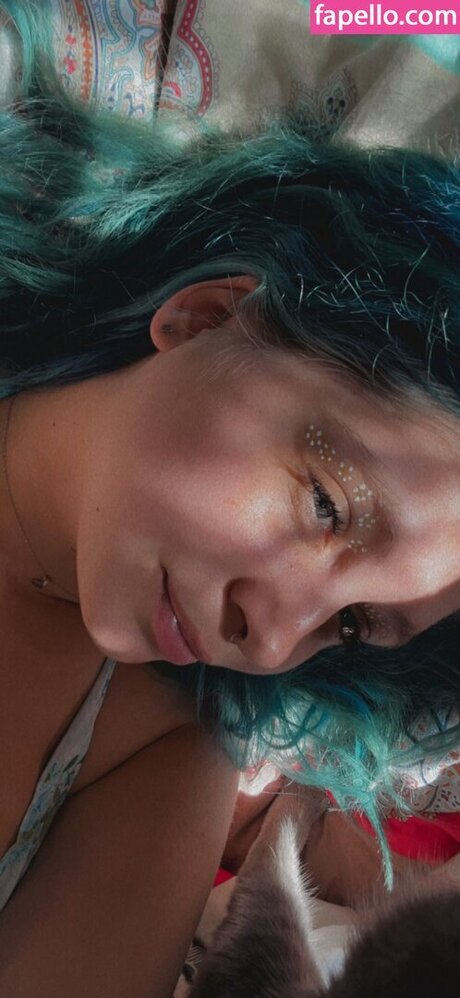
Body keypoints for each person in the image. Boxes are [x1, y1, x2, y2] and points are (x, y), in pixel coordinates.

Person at [0, 1, 459, 994]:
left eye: (349, 625)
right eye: (326, 506)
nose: (274, 635)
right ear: (207, 315)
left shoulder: (159, 752)